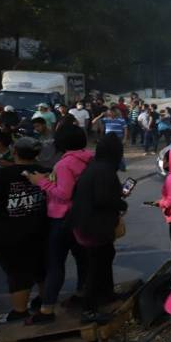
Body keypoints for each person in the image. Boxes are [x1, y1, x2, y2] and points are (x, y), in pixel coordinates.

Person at [0, 138, 49, 323]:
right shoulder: (46, 172)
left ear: (14, 152)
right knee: (42, 267)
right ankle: (45, 300)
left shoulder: (0, 176)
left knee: (17, 272)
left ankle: (19, 311)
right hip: (41, 229)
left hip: (7, 233)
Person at [25, 124, 93, 324]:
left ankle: (47, 310)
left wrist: (41, 182)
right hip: (82, 217)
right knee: (82, 259)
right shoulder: (88, 158)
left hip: (62, 218)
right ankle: (81, 296)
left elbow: (64, 194)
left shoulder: (64, 164)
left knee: (55, 264)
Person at [69, 132, 128, 322]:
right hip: (93, 226)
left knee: (106, 257)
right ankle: (89, 309)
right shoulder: (104, 170)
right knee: (95, 266)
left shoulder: (95, 167)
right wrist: (121, 204)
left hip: (89, 224)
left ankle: (107, 294)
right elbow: (103, 198)